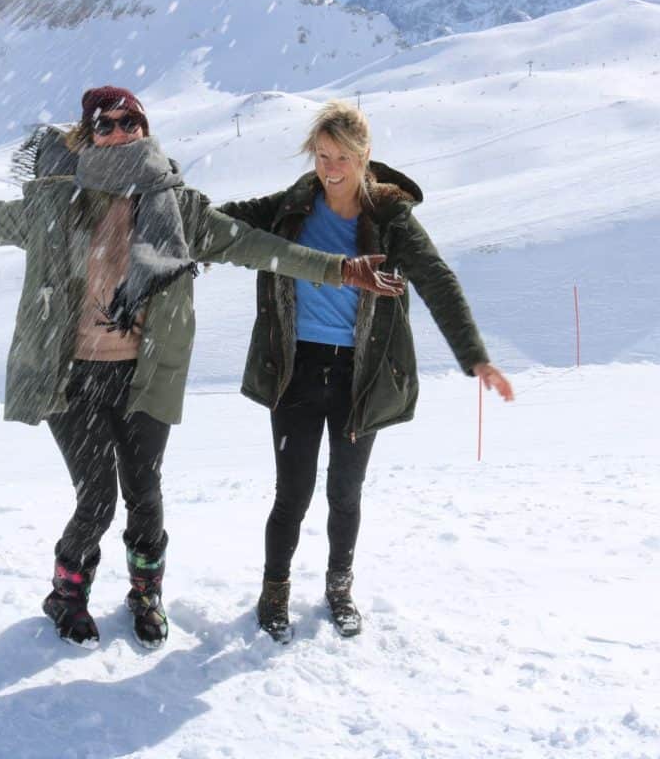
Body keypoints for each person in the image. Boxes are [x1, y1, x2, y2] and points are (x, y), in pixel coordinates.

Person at [0, 86, 404, 649]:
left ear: (145, 129)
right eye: (104, 125)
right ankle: (67, 595)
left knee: (144, 492)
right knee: (96, 497)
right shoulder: (53, 204)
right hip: (70, 375)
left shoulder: (177, 209)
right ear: (86, 137)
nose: (117, 132)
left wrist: (340, 270)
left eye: (128, 121)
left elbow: (254, 246)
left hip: (143, 373)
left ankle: (145, 591)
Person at [219, 99, 514, 643]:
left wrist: (475, 355)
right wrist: (164, 205)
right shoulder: (292, 207)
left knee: (344, 493)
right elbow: (219, 220)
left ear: (365, 156)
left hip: (362, 375)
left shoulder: (390, 218)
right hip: (296, 370)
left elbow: (437, 279)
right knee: (293, 492)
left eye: (342, 158)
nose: (330, 169)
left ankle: (339, 588)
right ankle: (274, 590)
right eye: (322, 156)